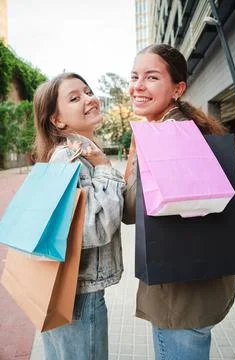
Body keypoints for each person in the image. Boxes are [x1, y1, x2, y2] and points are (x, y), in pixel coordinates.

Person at [123, 44, 235, 360]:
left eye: (152, 77)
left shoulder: (165, 139)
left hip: (180, 297)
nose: (137, 86)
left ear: (178, 88)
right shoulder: (195, 128)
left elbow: (131, 210)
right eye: (134, 76)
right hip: (209, 285)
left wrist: (132, 157)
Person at [33, 72, 125, 360]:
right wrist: (105, 168)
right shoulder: (70, 158)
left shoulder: (76, 154)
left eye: (87, 91)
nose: (88, 99)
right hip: (77, 294)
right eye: (75, 98)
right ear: (57, 120)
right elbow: (93, 229)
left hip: (68, 289)